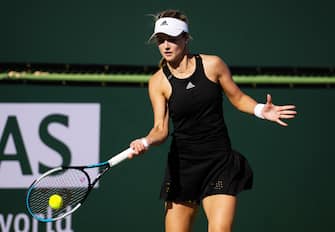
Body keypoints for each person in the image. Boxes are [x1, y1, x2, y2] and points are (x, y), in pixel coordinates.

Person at [129, 9, 297, 232]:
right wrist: (145, 141)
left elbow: (237, 98)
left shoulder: (212, 65)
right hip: (183, 169)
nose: (166, 46)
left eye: (172, 39)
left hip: (219, 164)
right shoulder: (157, 82)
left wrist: (259, 109)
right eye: (161, 41)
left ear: (186, 39)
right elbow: (160, 129)